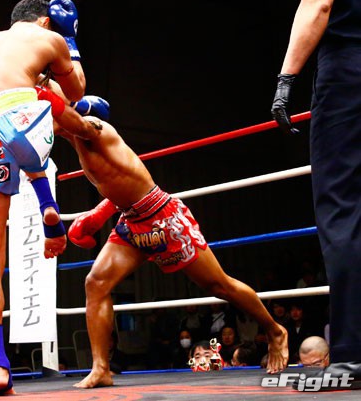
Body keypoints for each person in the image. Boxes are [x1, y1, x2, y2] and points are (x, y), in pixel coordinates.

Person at [46, 96, 288, 388]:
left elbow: (84, 126)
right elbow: (118, 180)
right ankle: (101, 369)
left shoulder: (95, 129)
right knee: (95, 283)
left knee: (218, 286)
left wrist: (49, 98)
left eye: (55, 114)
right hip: (132, 221)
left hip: (162, 216)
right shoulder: (76, 140)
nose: (50, 120)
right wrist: (99, 214)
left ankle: (275, 331)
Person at [0, 0, 88, 396]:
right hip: (21, 122)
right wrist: (70, 38)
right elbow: (77, 90)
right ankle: (48, 203)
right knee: (54, 109)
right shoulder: (49, 38)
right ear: (45, 21)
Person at [271, 0, 361, 388]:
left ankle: (353, 356)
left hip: (349, 72)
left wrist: (285, 80)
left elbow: (319, 1)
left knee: (343, 211)